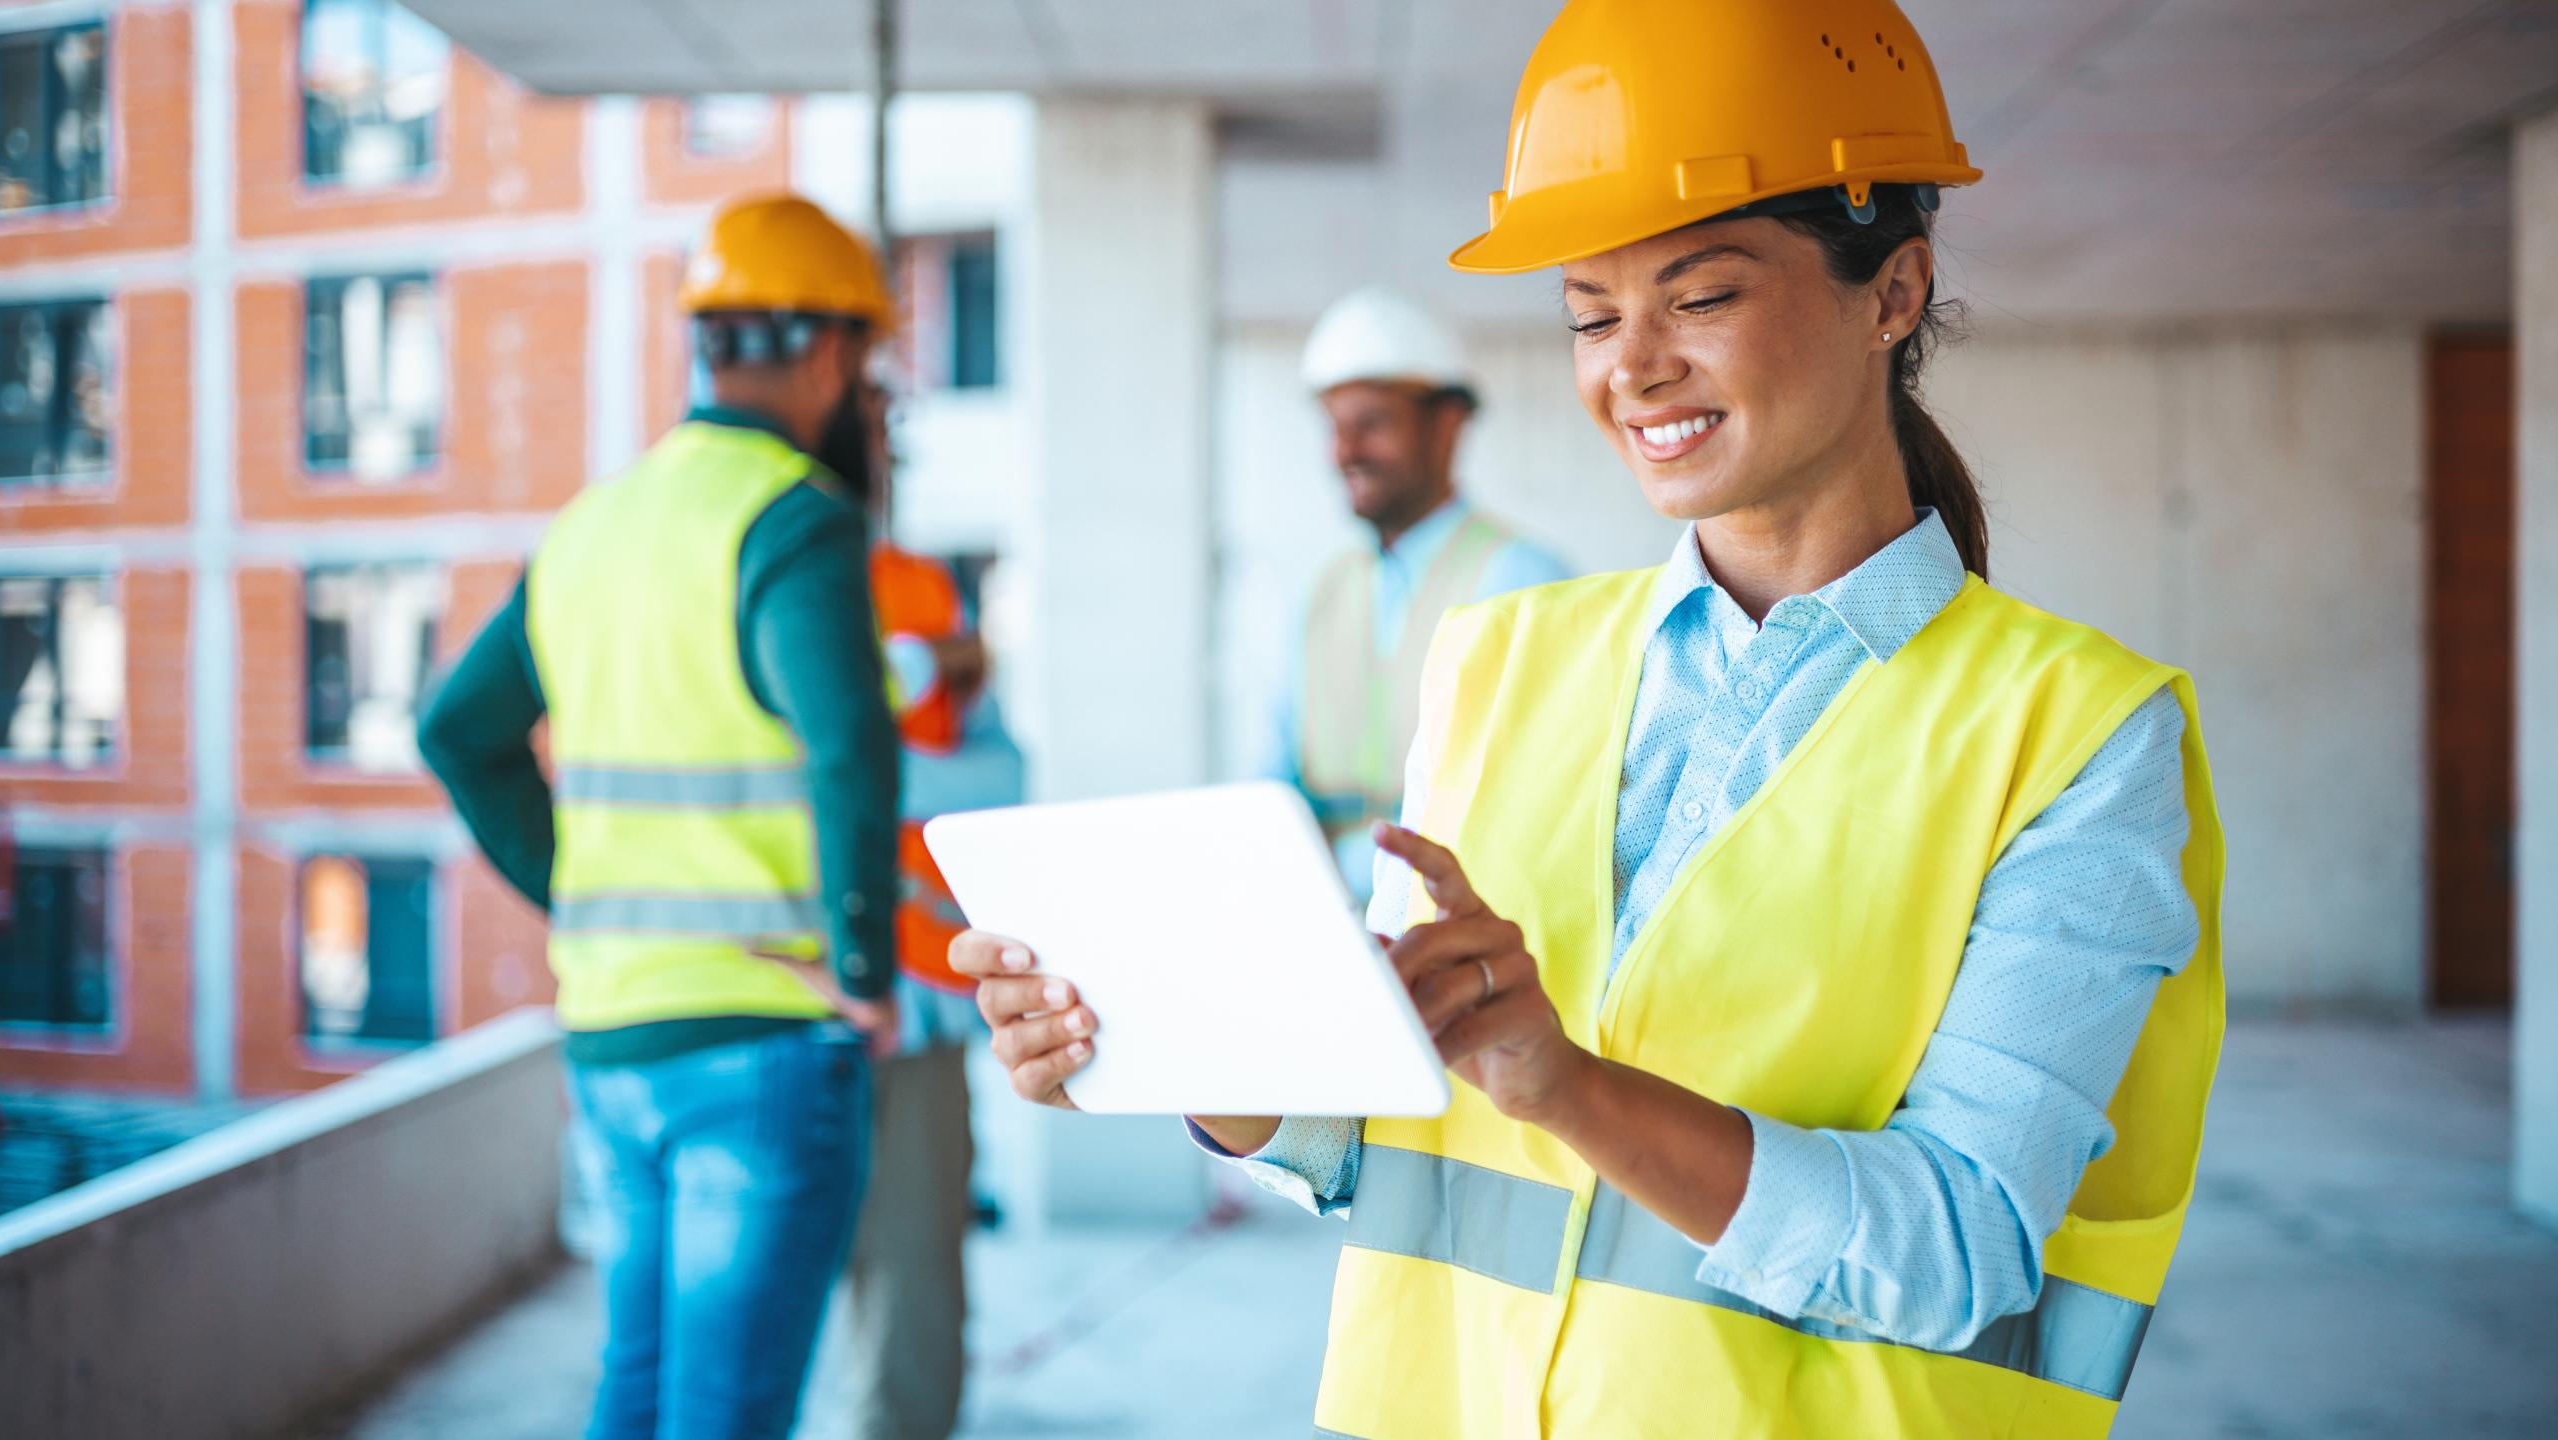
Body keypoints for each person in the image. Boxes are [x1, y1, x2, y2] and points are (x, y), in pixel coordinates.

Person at [952, 1, 2225, 1435]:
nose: (1633, 366)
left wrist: (1564, 1083)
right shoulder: (1500, 661)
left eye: (1701, 296)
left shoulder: (2078, 736)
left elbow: (1955, 1253)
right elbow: (1387, 1135)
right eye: (1589, 314)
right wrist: (1174, 1051)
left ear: (1893, 290)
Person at [418, 191, 903, 1440]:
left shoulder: (594, 523)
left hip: (613, 1037)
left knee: (637, 1394)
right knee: (725, 1416)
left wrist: (580, 888)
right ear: (836, 350)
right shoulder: (795, 518)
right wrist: (865, 968)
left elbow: (458, 732)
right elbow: (850, 745)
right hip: (764, 1036)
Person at [837, 398, 1025, 1440]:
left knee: (911, 1285)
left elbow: (1001, 772)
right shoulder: (758, 578)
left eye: (879, 438)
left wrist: (877, 747)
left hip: (917, 996)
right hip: (777, 990)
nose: (873, 459)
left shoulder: (920, 587)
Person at [1274, 287, 1570, 901]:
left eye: (1372, 424)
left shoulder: (1523, 579)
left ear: (1447, 426)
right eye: (1334, 427)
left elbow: (1517, 799)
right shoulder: (1323, 592)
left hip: (1456, 929)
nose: (1345, 451)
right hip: (1325, 921)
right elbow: (1272, 778)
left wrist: (1334, 869)